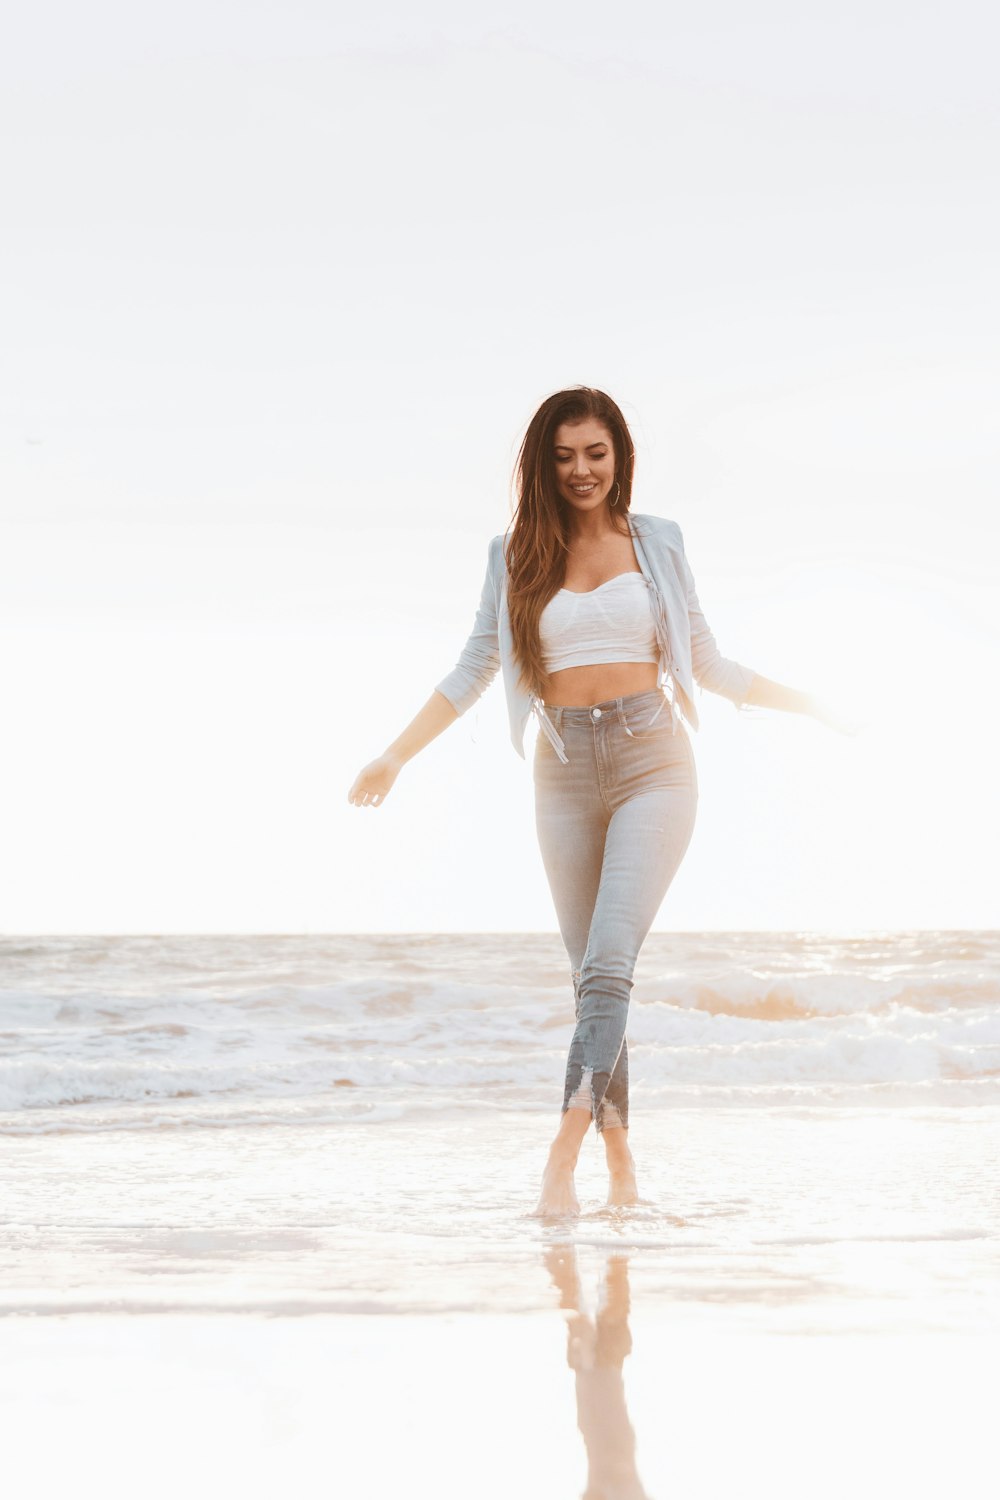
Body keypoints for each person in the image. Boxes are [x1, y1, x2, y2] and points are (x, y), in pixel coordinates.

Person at [348, 386, 840, 1218]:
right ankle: (623, 1174)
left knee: (611, 963)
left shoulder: (660, 542)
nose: (581, 470)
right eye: (565, 455)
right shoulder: (514, 556)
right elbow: (474, 667)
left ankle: (560, 1159)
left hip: (656, 761)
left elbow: (709, 662)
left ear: (620, 457)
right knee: (592, 988)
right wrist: (395, 754)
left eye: (596, 453)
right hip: (563, 771)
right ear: (543, 464)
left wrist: (817, 704)